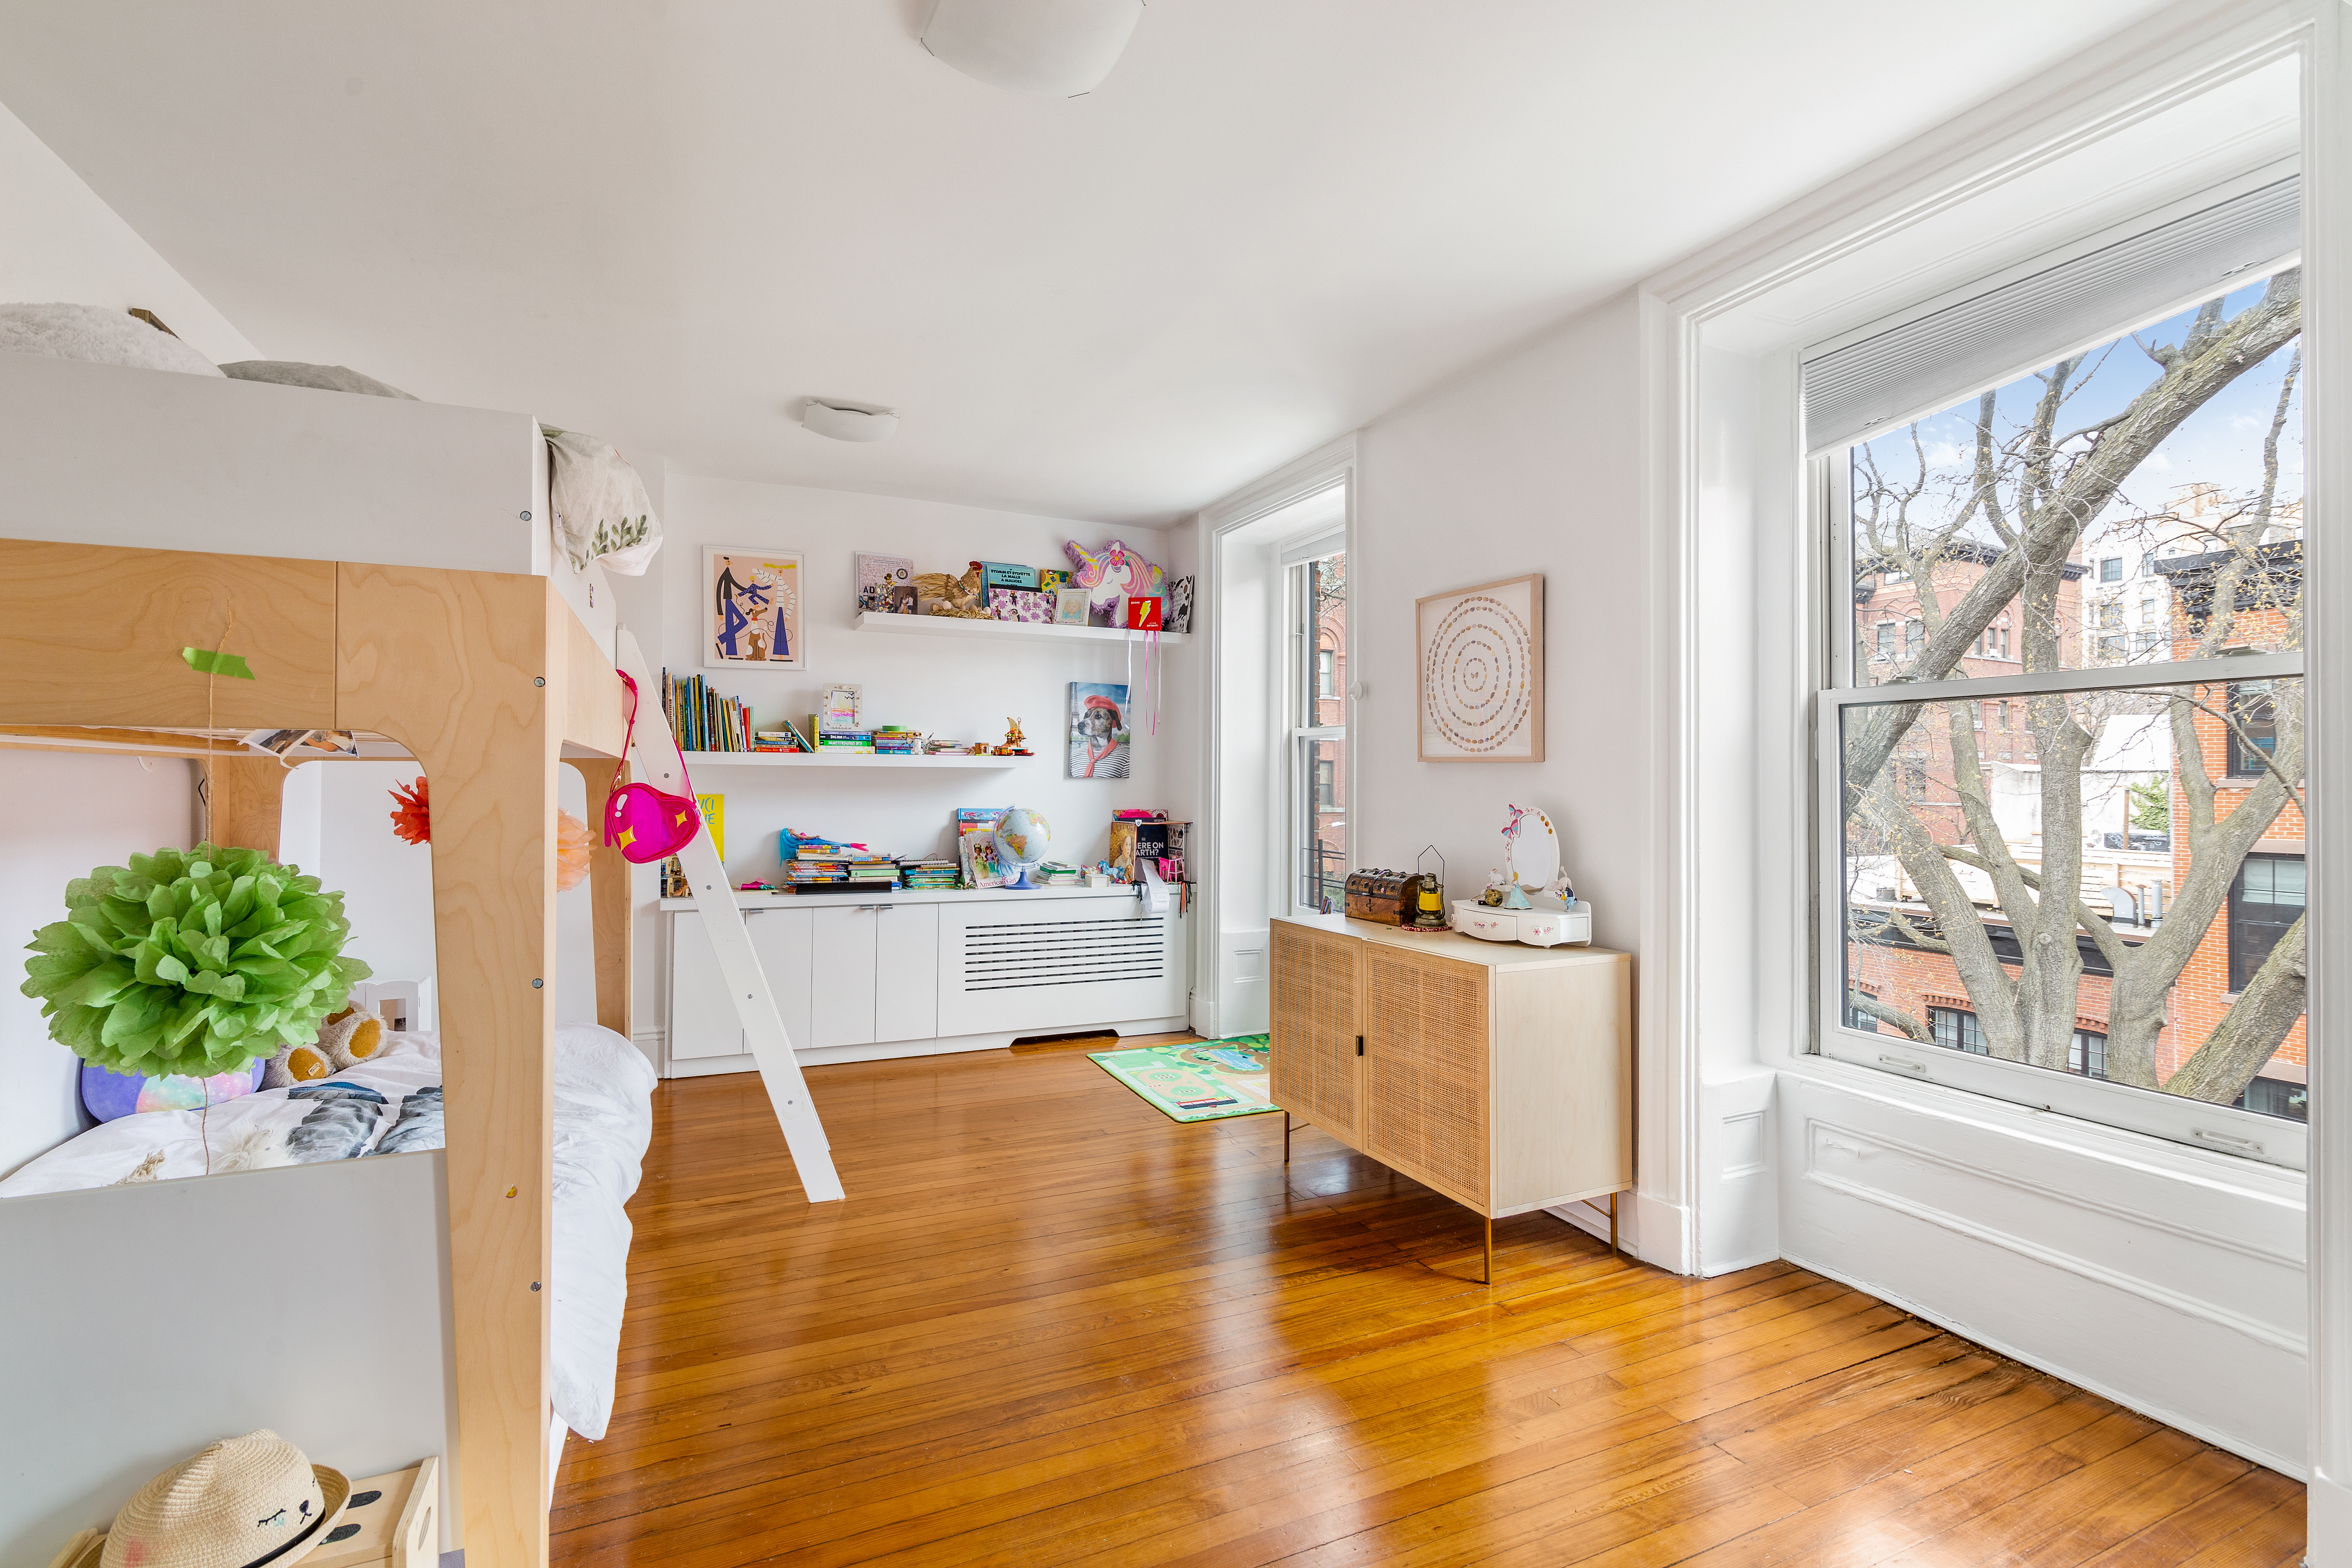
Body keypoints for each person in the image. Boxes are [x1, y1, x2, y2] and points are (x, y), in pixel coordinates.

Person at [1071, 692, 1129, 779]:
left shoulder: (1126, 758)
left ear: (1112, 720)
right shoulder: (1074, 757)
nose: (1082, 724)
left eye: (1098, 717)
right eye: (1087, 716)